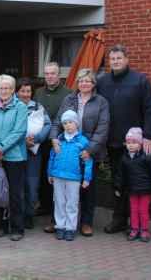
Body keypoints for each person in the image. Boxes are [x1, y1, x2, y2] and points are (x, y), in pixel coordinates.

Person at [97, 44, 151, 234]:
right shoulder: (102, 82)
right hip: (114, 142)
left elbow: (150, 109)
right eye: (112, 59)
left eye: (119, 58)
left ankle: (140, 223)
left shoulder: (140, 80)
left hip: (136, 144)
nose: (115, 62)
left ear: (126, 59)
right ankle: (119, 219)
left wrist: (148, 135)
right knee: (119, 181)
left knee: (140, 182)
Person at [51, 68, 110, 236]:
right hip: (68, 150)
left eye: (88, 81)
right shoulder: (69, 99)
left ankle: (86, 222)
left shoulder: (101, 102)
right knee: (63, 190)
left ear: (93, 84)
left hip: (89, 151)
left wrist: (89, 150)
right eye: (81, 80)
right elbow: (57, 122)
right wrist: (54, 138)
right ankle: (61, 223)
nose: (84, 84)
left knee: (87, 188)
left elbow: (103, 129)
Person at [0, 74, 28, 241]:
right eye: (1, 88)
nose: (4, 91)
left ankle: (17, 228)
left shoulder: (21, 107)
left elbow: (19, 131)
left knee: (15, 194)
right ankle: (1, 226)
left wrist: (1, 148)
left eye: (7, 88)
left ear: (13, 89)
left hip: (15, 157)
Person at [34, 62, 72, 221]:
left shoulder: (68, 93)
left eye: (53, 73)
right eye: (47, 73)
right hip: (41, 140)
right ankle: (45, 205)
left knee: (57, 174)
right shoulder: (38, 92)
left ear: (59, 75)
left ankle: (58, 207)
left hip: (59, 140)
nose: (49, 76)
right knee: (42, 173)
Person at [47, 110, 92, 242]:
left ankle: (70, 228)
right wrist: (50, 173)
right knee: (59, 202)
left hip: (74, 177)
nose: (68, 125)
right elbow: (52, 157)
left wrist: (87, 178)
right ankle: (60, 226)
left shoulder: (82, 141)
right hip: (58, 175)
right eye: (65, 123)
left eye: (70, 122)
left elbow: (88, 161)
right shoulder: (59, 140)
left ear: (76, 124)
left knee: (72, 203)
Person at [114, 127, 151, 242]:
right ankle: (134, 228)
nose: (131, 145)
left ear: (141, 144)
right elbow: (120, 175)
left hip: (145, 190)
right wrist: (118, 187)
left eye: (134, 142)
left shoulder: (148, 156)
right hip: (132, 190)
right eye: (128, 142)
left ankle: (144, 230)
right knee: (133, 209)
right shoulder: (124, 158)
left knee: (143, 210)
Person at [16, 78, 51, 230]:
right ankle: (18, 215)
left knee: (32, 185)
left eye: (28, 91)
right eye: (22, 91)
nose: (25, 94)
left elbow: (48, 124)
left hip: (33, 153)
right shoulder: (12, 106)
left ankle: (29, 215)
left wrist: (36, 139)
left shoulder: (38, 106)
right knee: (17, 185)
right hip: (16, 152)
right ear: (17, 92)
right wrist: (23, 141)